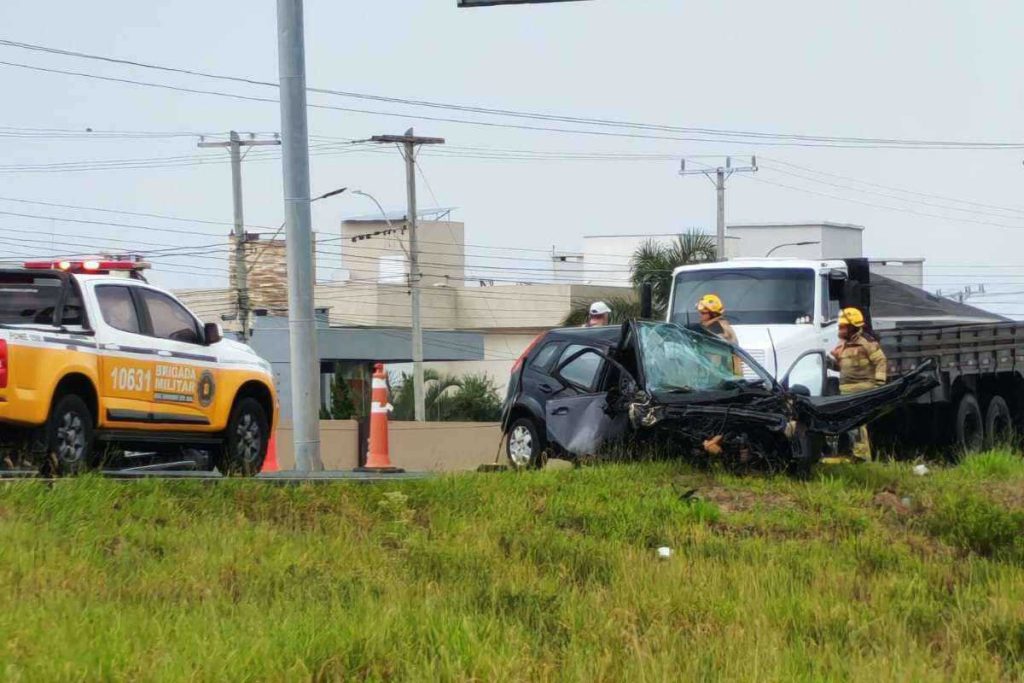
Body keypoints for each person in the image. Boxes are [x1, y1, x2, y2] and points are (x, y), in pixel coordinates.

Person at [829, 307, 887, 461]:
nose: (840, 330)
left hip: (862, 390)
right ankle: (854, 453)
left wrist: (879, 384)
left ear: (852, 327)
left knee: (858, 424)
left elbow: (881, 361)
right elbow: (841, 366)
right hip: (845, 392)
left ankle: (862, 457)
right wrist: (830, 363)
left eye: (843, 327)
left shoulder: (866, 343)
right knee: (849, 424)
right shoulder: (842, 345)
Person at [696, 294, 742, 374]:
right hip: (731, 378)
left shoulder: (716, 330)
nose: (700, 315)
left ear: (713, 314)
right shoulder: (721, 325)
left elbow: (715, 361)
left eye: (703, 313)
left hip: (722, 380)